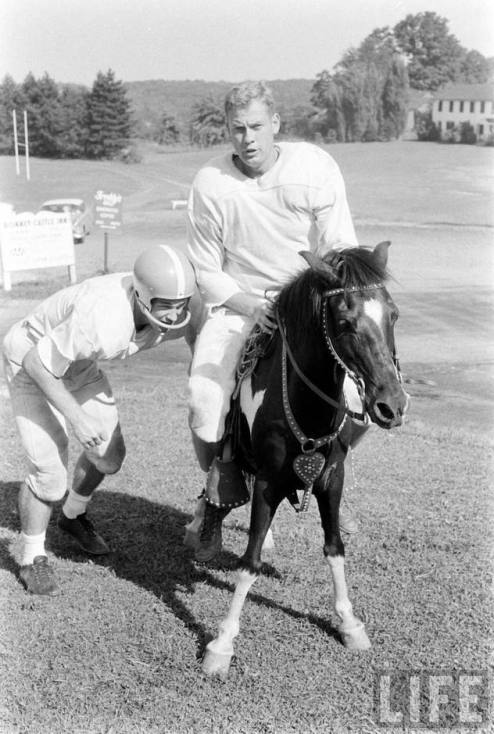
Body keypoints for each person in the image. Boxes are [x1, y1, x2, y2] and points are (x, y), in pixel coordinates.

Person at [185, 80, 362, 563]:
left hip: (306, 307)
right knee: (205, 403)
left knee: (360, 400)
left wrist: (320, 304)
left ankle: (318, 470)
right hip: (241, 304)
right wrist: (247, 305)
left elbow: (338, 248)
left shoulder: (315, 167)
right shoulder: (210, 182)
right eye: (237, 128)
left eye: (257, 126)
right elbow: (205, 268)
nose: (248, 139)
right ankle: (216, 495)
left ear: (276, 125)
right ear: (228, 130)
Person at [2, 244, 196, 596]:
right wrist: (76, 418)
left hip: (76, 363)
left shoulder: (179, 305)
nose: (175, 315)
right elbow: (37, 363)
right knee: (49, 473)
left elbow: (207, 327)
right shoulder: (103, 316)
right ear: (141, 296)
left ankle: (72, 515)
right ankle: (33, 558)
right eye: (167, 306)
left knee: (109, 456)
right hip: (31, 360)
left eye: (181, 304)